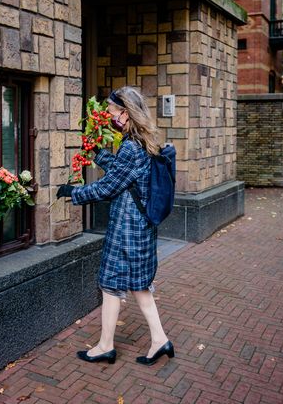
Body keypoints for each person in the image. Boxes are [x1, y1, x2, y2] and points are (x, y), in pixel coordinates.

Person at [57, 86, 174, 366]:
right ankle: (159, 340)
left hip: (127, 230)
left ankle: (105, 346)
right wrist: (98, 153)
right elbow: (124, 174)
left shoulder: (131, 147)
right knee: (139, 285)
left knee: (111, 284)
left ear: (125, 112)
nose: (109, 116)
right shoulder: (143, 141)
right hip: (141, 227)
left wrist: (73, 193)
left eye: (111, 111)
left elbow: (109, 188)